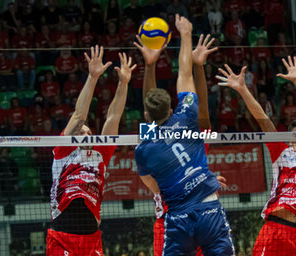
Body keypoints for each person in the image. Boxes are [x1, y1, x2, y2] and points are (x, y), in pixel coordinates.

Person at [134, 15, 235, 255]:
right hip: (170, 217)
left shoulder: (151, 144)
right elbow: (185, 99)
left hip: (182, 216)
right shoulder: (185, 126)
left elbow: (152, 109)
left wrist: (150, 65)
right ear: (171, 109)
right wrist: (196, 64)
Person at [217, 56, 296, 256]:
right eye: (294, 136)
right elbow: (264, 121)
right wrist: (242, 90)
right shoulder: (282, 152)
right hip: (273, 230)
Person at [46, 46, 136, 256]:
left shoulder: (100, 154)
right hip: (62, 236)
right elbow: (79, 115)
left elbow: (113, 117)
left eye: (87, 130)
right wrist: (93, 77)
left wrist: (123, 83)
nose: (83, 132)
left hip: (91, 238)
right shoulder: (63, 152)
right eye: (79, 132)